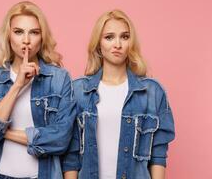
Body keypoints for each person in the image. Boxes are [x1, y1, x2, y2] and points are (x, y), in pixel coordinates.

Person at [0, 1, 75, 179]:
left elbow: (61, 139)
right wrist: (17, 85)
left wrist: (5, 132)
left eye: (34, 32)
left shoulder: (59, 79)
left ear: (42, 37)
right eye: (18, 32)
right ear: (8, 36)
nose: (26, 40)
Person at [62, 10, 175, 179]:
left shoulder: (152, 92)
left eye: (124, 37)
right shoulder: (78, 91)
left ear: (131, 42)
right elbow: (71, 154)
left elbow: (158, 154)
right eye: (109, 37)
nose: (117, 44)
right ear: (98, 44)